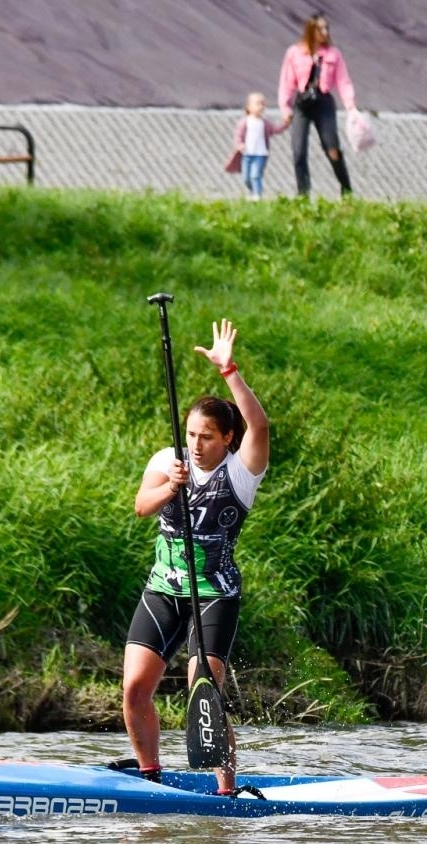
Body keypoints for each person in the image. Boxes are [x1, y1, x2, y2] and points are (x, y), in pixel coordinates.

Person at [121, 318, 270, 788]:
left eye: (206, 437)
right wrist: (172, 486)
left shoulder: (242, 473)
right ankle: (152, 778)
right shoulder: (169, 461)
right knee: (134, 689)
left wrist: (230, 372)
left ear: (227, 438)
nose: (196, 445)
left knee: (202, 690)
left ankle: (226, 791)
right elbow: (141, 506)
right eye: (190, 435)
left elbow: (260, 424)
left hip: (215, 594)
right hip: (164, 588)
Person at [277, 11, 358, 198]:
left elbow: (343, 81)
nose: (324, 32)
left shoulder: (333, 54)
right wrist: (285, 107)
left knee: (332, 148)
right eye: (320, 28)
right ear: (311, 30)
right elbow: (286, 82)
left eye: (326, 28)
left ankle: (346, 189)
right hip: (303, 103)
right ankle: (303, 194)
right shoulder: (295, 53)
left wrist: (351, 106)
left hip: (323, 102)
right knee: (298, 151)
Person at [234, 92, 289, 201]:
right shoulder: (245, 122)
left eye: (263, 104)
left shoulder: (265, 123)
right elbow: (238, 136)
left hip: (260, 154)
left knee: (256, 175)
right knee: (246, 177)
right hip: (247, 154)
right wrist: (240, 145)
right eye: (257, 104)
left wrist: (285, 124)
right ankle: (253, 191)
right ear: (249, 107)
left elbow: (275, 130)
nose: (261, 106)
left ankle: (257, 195)